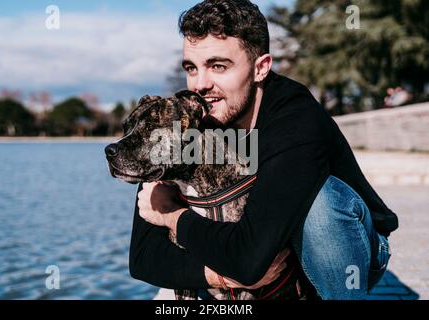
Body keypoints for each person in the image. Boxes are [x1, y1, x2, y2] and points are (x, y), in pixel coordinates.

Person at [130, 0, 398, 299]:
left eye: (218, 66)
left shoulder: (295, 120)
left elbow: (248, 262)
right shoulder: (187, 119)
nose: (201, 84)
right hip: (246, 260)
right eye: (192, 68)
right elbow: (142, 260)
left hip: (353, 251)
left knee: (323, 205)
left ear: (261, 68)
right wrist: (219, 276)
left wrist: (169, 214)